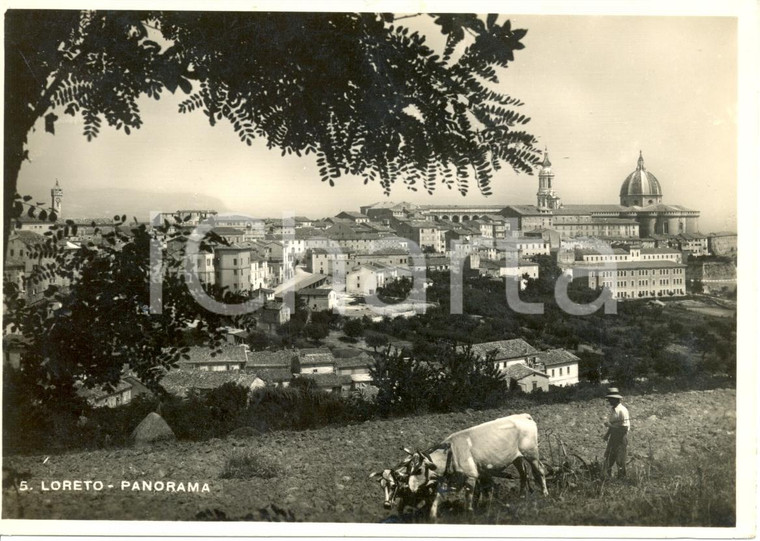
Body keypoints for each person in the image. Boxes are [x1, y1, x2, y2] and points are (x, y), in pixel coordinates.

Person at [602, 387, 630, 478]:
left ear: (615, 399)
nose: (609, 401)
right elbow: (613, 425)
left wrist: (610, 425)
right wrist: (607, 435)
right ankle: (607, 479)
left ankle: (622, 480)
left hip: (621, 438)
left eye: (610, 399)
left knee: (620, 461)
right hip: (613, 437)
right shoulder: (613, 410)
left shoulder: (622, 410)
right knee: (609, 458)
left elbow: (624, 428)